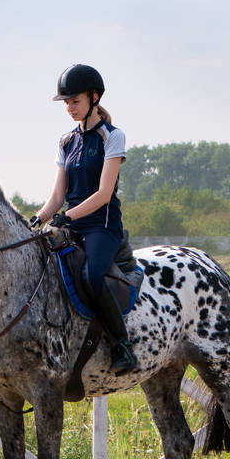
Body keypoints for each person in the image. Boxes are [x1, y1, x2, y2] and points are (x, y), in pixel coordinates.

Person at [31, 63, 138, 374]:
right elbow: (56, 197)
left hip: (101, 227)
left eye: (74, 101)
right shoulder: (66, 141)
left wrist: (66, 218)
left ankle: (122, 345)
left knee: (91, 276)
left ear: (94, 97)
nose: (69, 108)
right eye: (66, 103)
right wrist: (38, 218)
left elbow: (104, 193)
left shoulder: (112, 137)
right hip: (71, 224)